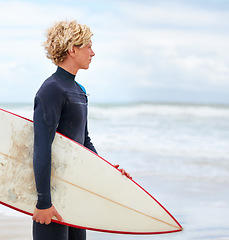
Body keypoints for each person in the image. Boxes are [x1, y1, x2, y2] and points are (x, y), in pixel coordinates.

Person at [32, 20, 131, 240]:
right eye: (88, 46)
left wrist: (106, 170)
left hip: (75, 194)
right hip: (53, 197)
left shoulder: (79, 90)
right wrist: (43, 202)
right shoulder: (51, 90)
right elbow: (41, 147)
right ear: (72, 49)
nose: (93, 52)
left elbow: (83, 141)